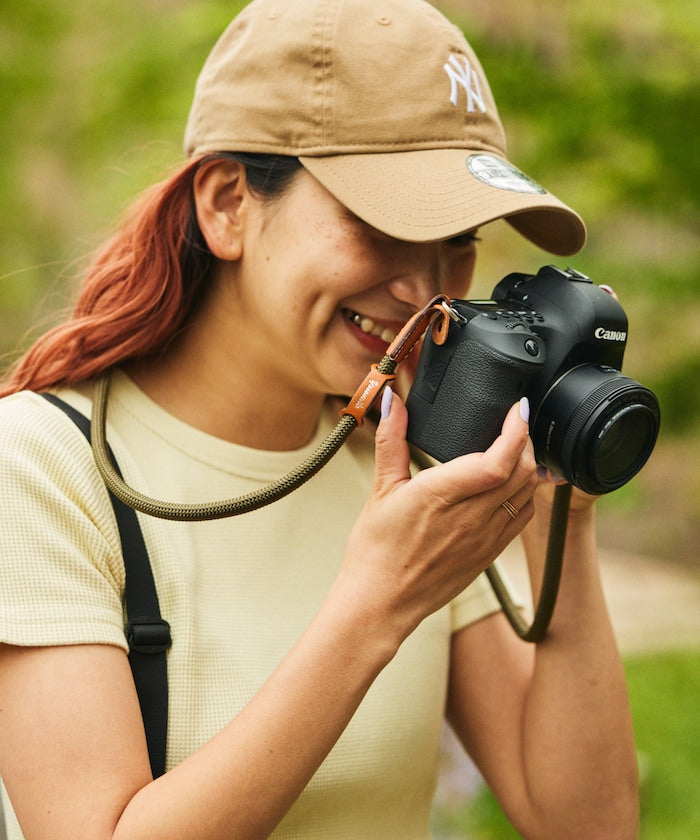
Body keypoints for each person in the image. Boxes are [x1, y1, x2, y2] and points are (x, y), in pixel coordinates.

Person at [0, 0, 639, 838]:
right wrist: (375, 606)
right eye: (381, 225)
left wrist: (566, 514)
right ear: (228, 203)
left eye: (460, 240)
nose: (427, 288)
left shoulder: (408, 458)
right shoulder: (44, 467)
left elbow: (585, 825)